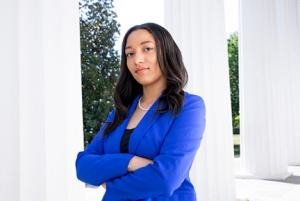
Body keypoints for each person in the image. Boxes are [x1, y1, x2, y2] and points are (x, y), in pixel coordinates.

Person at [75, 22, 206, 201]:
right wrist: (130, 163)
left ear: (166, 52)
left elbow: (165, 179)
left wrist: (110, 182)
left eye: (147, 49)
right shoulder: (119, 113)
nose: (137, 59)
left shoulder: (188, 107)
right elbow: (83, 166)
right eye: (130, 53)